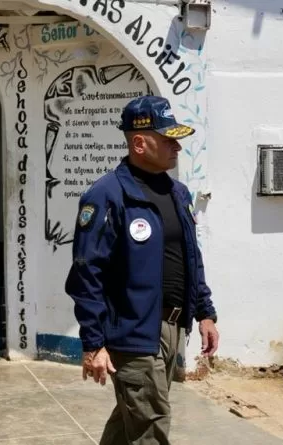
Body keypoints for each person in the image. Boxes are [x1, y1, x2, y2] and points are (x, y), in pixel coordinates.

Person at [64, 95, 219, 445]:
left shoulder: (177, 193)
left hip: (172, 328)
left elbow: (189, 257)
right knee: (150, 426)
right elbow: (87, 274)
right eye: (167, 139)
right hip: (133, 333)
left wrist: (204, 312)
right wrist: (93, 344)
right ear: (139, 142)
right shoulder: (107, 195)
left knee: (130, 421)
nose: (176, 147)